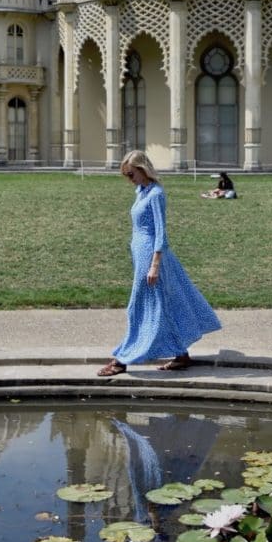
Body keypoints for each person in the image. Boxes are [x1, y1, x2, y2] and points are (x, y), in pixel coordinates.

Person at [98, 150, 223, 377]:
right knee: (165, 304)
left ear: (143, 169)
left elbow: (161, 234)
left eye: (131, 173)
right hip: (140, 253)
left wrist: (154, 264)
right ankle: (181, 354)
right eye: (126, 174)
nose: (129, 178)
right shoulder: (141, 191)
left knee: (139, 307)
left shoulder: (155, 194)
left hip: (150, 256)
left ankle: (122, 359)